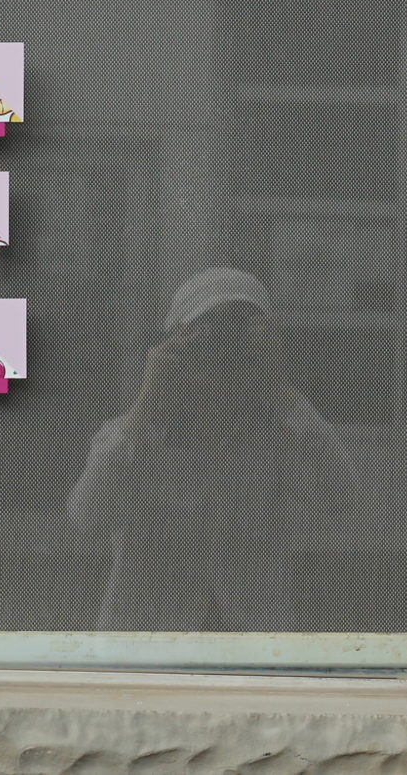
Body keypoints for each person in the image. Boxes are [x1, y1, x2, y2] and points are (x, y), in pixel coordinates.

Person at [67, 268, 358, 632]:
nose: (221, 360)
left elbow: (342, 499)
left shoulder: (277, 435)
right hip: (150, 644)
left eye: (236, 343)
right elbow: (88, 515)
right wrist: (145, 403)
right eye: (206, 341)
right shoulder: (139, 435)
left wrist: (280, 388)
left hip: (250, 643)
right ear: (177, 350)